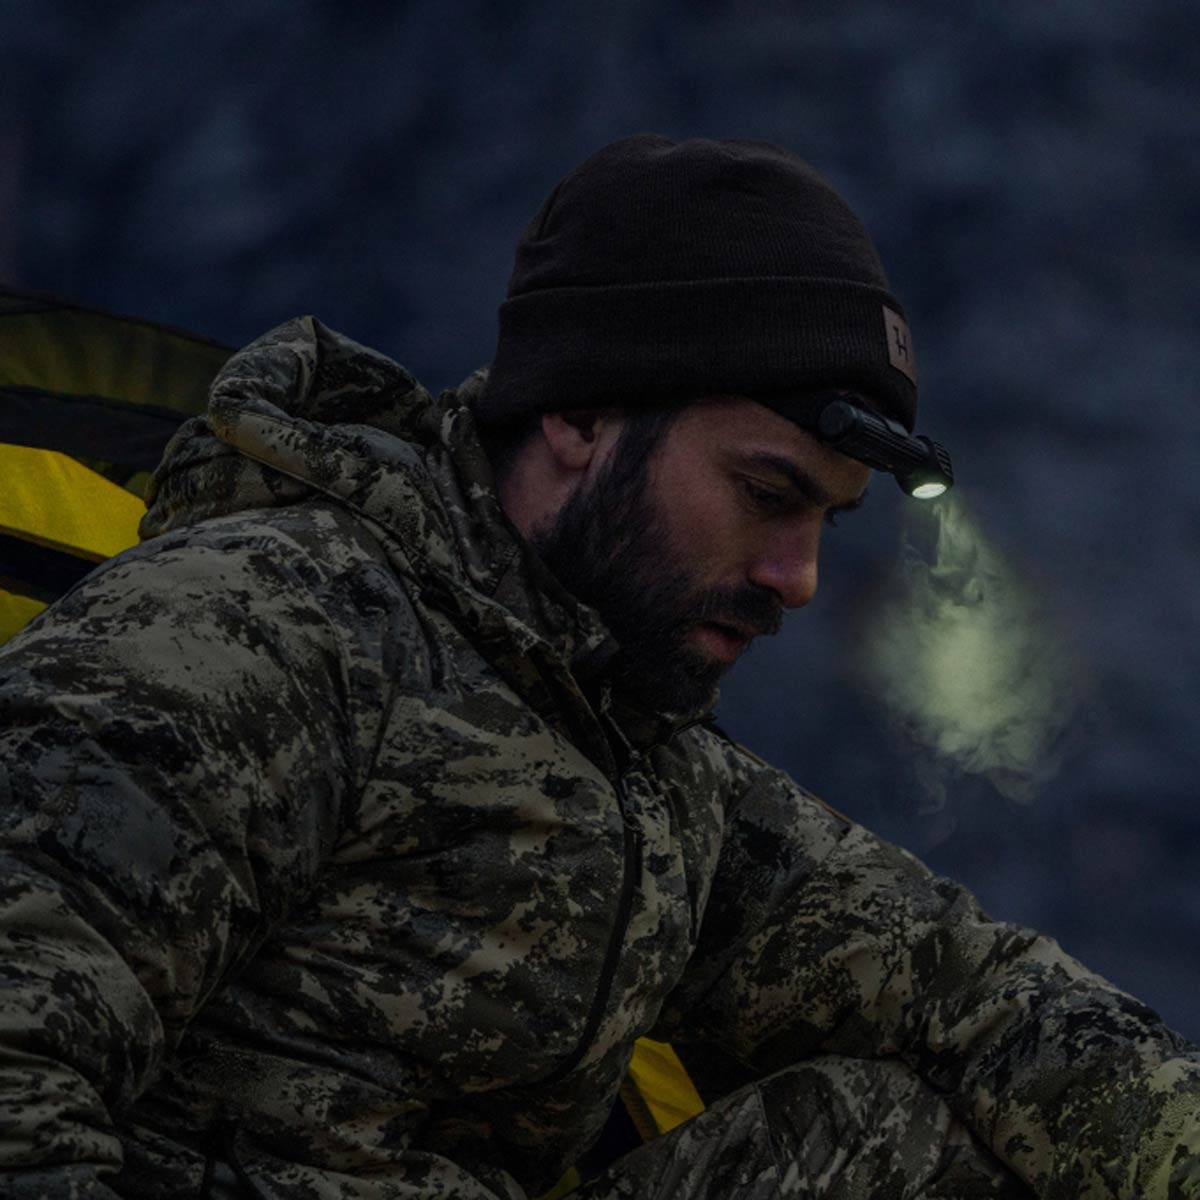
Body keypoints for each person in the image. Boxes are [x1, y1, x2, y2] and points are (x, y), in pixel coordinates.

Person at [0, 134, 1195, 1200]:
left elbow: (963, 989)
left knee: (909, 1138)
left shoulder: (639, 750)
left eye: (826, 522)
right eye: (765, 494)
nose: (798, 578)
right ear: (579, 415)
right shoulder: (257, 631)